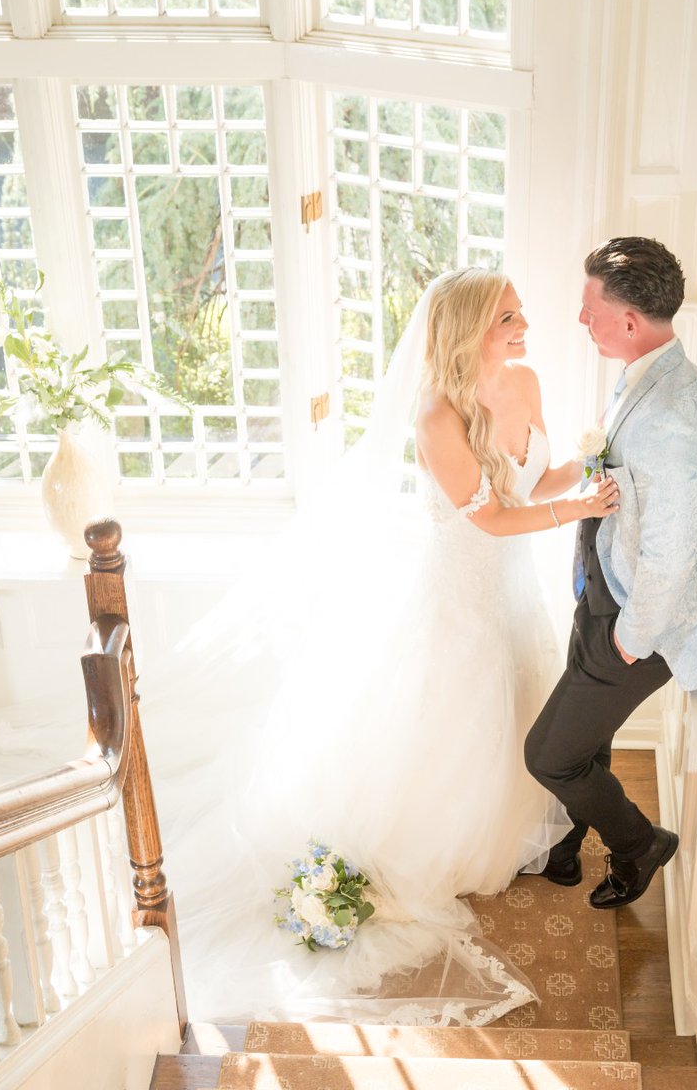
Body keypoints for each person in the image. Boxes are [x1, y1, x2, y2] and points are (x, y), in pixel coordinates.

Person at [149, 266, 622, 1025]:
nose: (525, 321)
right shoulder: (436, 416)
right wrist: (577, 507)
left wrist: (595, 468)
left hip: (512, 588)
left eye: (519, 309)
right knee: (464, 714)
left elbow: (537, 480)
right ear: (472, 327)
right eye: (509, 314)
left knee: (520, 701)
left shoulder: (524, 379)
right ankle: (453, 844)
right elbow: (491, 520)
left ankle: (523, 822)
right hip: (464, 591)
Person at [525, 237, 697, 910]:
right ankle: (564, 846)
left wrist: (632, 637)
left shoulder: (676, 417)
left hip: (634, 624)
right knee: (588, 743)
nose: (583, 321)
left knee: (549, 756)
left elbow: (671, 552)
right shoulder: (647, 373)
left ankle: (639, 845)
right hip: (603, 593)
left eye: (590, 309)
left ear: (630, 321)